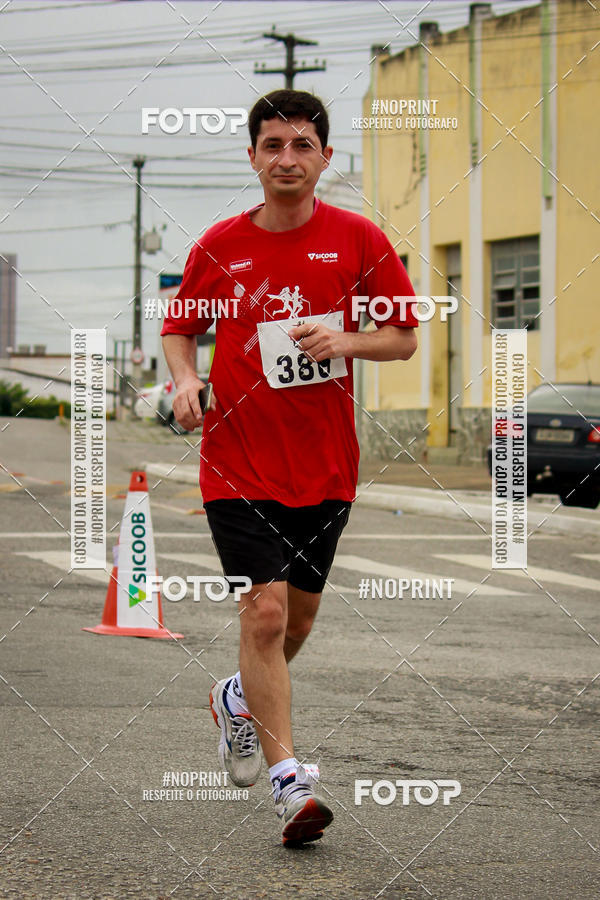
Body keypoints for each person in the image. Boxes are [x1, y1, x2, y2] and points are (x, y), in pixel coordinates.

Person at [161, 88, 418, 846]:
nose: (287, 158)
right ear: (253, 158)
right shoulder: (218, 246)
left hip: (325, 467)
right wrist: (184, 378)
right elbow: (181, 328)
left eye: (302, 145)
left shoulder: (359, 241)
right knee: (263, 612)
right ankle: (290, 784)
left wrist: (345, 342)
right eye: (272, 145)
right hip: (236, 465)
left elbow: (403, 337)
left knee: (295, 622)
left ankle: (237, 695)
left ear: (323, 158)